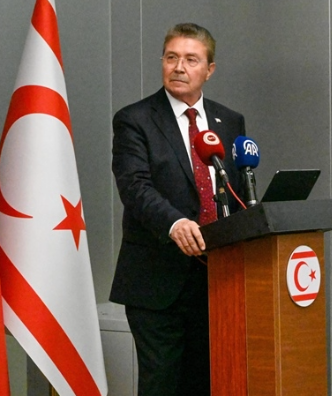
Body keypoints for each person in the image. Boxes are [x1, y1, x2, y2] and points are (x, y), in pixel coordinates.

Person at [109, 23, 246, 396]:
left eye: (191, 59)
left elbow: (236, 188)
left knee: (208, 383)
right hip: (157, 282)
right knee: (163, 385)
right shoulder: (135, 119)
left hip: (216, 281)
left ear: (209, 69)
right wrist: (175, 223)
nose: (179, 67)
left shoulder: (230, 121)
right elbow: (134, 186)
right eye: (171, 57)